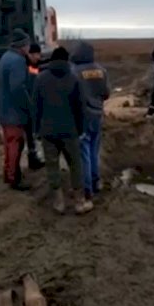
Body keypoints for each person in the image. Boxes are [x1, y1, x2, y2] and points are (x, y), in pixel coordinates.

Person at [34, 46, 90, 214]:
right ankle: (79, 202)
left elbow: (36, 106)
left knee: (52, 166)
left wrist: (37, 130)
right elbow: (80, 107)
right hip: (69, 131)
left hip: (48, 132)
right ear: (67, 60)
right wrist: (81, 130)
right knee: (75, 165)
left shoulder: (41, 79)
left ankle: (58, 202)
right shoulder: (74, 79)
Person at [70, 41, 110, 204]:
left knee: (83, 152)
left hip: (82, 117)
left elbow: (71, 95)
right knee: (94, 149)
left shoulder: (74, 72)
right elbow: (106, 93)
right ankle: (96, 181)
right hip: (98, 114)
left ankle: (88, 189)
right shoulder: (102, 71)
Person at [0, 28, 32, 191]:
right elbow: (18, 88)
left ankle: (8, 174)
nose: (29, 47)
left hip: (4, 109)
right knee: (16, 143)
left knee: (10, 142)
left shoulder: (6, 57)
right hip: (13, 112)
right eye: (27, 44)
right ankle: (14, 179)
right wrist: (28, 106)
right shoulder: (17, 61)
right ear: (22, 46)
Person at [25, 43, 45, 170]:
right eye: (37, 54)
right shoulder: (29, 68)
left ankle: (34, 158)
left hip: (32, 105)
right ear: (31, 54)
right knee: (31, 134)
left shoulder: (33, 66)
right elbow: (32, 85)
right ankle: (33, 160)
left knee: (32, 135)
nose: (39, 57)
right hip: (30, 105)